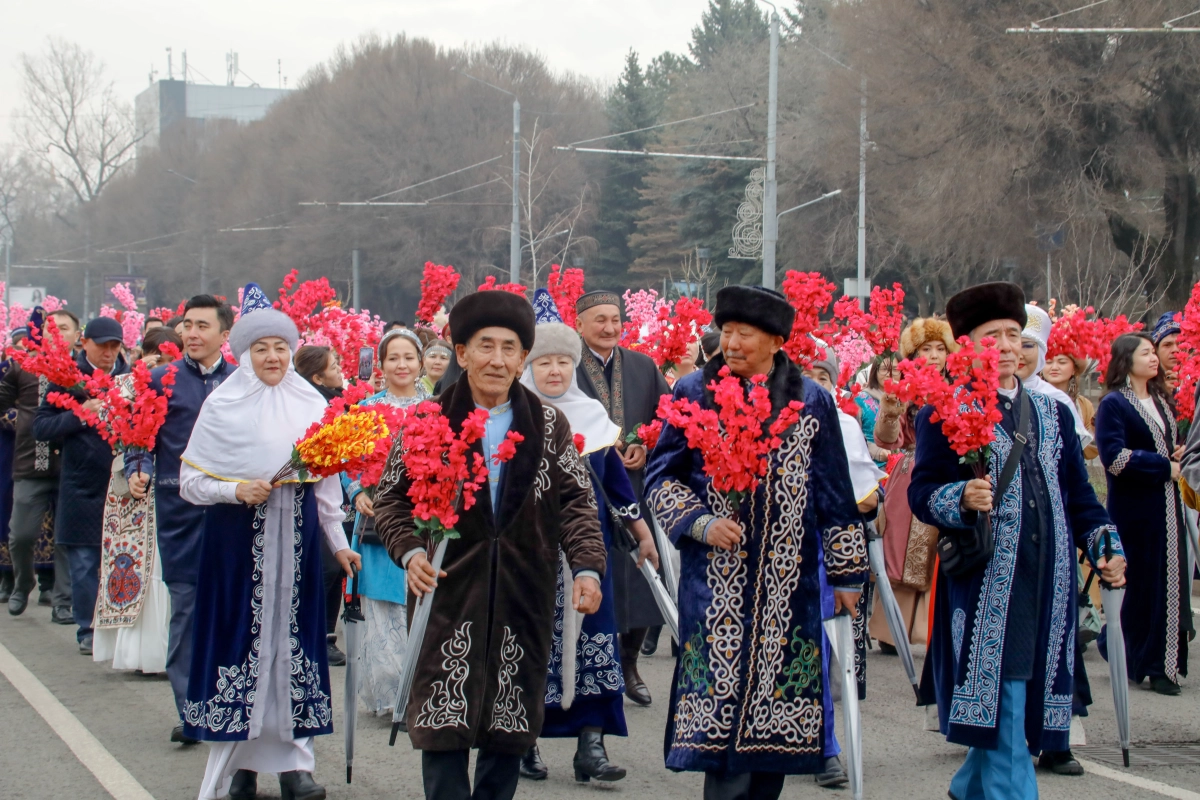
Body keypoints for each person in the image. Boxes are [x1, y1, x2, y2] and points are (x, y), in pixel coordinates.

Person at [373, 289, 607, 800]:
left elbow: (576, 504)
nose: (498, 360)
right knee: (443, 734)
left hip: (525, 594)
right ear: (461, 353)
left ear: (523, 357)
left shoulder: (549, 426)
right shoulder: (428, 422)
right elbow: (389, 502)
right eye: (485, 346)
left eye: (509, 348)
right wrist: (412, 553)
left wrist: (587, 567)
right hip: (447, 596)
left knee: (508, 736)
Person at [645, 285, 868, 800]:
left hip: (789, 588)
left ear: (776, 340)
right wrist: (700, 522)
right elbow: (660, 478)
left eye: (745, 334)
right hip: (715, 586)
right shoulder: (693, 391)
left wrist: (848, 575)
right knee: (721, 739)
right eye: (727, 333)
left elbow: (834, 492)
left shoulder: (810, 400)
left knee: (776, 738)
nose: (733, 343)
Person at [908, 282, 1126, 798]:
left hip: (1048, 584)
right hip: (988, 586)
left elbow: (1079, 496)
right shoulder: (944, 408)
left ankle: (970, 786)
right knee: (1003, 701)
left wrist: (1106, 547)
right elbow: (922, 493)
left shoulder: (1052, 414)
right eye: (992, 336)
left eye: (1015, 335)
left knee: (1024, 697)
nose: (1007, 347)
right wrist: (961, 496)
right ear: (966, 344)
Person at [179, 283, 359, 800]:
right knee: (243, 646)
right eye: (261, 348)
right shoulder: (223, 405)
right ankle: (241, 766)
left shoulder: (309, 403)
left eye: (281, 347)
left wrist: (339, 541)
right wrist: (235, 489)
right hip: (237, 548)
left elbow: (324, 483)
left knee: (294, 647)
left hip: (297, 543)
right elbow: (191, 482)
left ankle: (295, 765)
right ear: (244, 354)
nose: (273, 357)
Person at [517, 289, 660, 784]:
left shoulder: (596, 420)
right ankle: (523, 741)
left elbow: (616, 485)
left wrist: (642, 533)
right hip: (527, 554)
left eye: (562, 361)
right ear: (527, 368)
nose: (554, 371)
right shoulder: (513, 420)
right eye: (543, 363)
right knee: (529, 643)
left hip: (588, 554)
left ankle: (591, 747)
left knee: (596, 639)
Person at [127, 294, 237, 745]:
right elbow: (141, 438)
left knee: (232, 611)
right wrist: (139, 469)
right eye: (187, 325)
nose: (191, 333)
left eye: (202, 326)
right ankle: (192, 710)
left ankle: (230, 703)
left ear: (224, 335)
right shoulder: (160, 380)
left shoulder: (243, 381)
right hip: (181, 514)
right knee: (187, 613)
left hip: (234, 511)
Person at [574, 290, 671, 706]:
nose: (610, 327)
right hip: (582, 487)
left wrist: (648, 445)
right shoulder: (567, 366)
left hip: (634, 485)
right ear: (579, 324)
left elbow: (669, 414)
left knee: (641, 575)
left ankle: (629, 664)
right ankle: (594, 666)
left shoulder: (643, 366)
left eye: (615, 319)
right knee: (599, 571)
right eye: (600, 320)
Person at [804, 341, 886, 787]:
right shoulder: (769, 415)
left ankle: (827, 745)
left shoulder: (847, 424)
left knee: (828, 651)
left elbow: (861, 489)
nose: (814, 384)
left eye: (822, 376)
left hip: (831, 546)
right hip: (780, 549)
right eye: (805, 373)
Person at [1095, 332, 1191, 696]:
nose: (1154, 358)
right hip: (1135, 510)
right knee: (1140, 583)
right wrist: (1163, 466)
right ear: (1126, 359)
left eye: (1154, 352)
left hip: (1166, 506)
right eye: (1146, 353)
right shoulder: (1114, 405)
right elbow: (1115, 457)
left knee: (1168, 582)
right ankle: (1138, 656)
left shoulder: (1162, 400)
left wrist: (1174, 458)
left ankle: (1161, 663)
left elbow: (1164, 448)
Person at [343, 328, 428, 717]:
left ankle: (421, 691)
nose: (401, 365)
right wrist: (356, 490)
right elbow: (346, 460)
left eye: (408, 357)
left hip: (425, 521)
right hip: (378, 525)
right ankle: (393, 696)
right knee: (383, 609)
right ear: (381, 364)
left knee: (421, 605)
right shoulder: (365, 409)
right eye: (393, 358)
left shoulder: (437, 408)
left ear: (420, 362)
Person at [34, 316, 131, 655]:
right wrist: (80, 413)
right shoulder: (66, 378)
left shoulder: (131, 377)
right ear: (84, 343)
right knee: (85, 561)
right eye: (101, 344)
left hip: (125, 483)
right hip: (81, 483)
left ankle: (121, 625)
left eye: (114, 345)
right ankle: (87, 627)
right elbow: (41, 427)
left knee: (123, 559)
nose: (108, 352)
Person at [92, 326, 183, 674]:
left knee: (163, 565)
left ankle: (164, 650)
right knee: (135, 567)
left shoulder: (178, 386)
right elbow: (108, 426)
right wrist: (135, 380)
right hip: (131, 485)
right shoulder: (124, 385)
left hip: (169, 483)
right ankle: (137, 652)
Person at [869, 317, 958, 656]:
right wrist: (891, 412)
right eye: (926, 349)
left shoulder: (962, 389)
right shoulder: (904, 391)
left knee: (943, 552)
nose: (934, 355)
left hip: (952, 476)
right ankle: (890, 630)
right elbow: (887, 440)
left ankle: (936, 629)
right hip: (911, 473)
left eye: (940, 349)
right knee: (901, 554)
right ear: (913, 354)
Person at [0, 310, 69, 621]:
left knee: (68, 537)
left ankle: (63, 601)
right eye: (52, 329)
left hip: (71, 465)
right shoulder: (20, 366)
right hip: (29, 460)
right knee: (21, 535)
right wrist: (23, 422)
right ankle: (23, 580)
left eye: (64, 329)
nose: (57, 335)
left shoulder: (80, 369)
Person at [294, 345, 350, 667]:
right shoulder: (315, 407)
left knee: (334, 567)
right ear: (317, 376)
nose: (340, 368)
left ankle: (325, 636)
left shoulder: (338, 402)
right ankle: (315, 634)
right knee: (327, 567)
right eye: (334, 365)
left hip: (333, 497)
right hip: (310, 499)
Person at [1016, 304, 1093, 450]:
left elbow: (1073, 463)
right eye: (1014, 344)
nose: (1019, 354)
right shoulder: (980, 396)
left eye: (1027, 346)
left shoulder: (1058, 401)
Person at [854, 357, 896, 467]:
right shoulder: (861, 400)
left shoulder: (904, 400)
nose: (888, 374)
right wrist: (875, 451)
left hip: (900, 469)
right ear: (875, 371)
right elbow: (854, 438)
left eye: (894, 370)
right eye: (884, 369)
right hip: (871, 469)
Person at [1151, 311, 1181, 392]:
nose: (1175, 350)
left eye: (1180, 344)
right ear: (1156, 349)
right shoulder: (1146, 385)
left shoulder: (1196, 382)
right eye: (1167, 345)